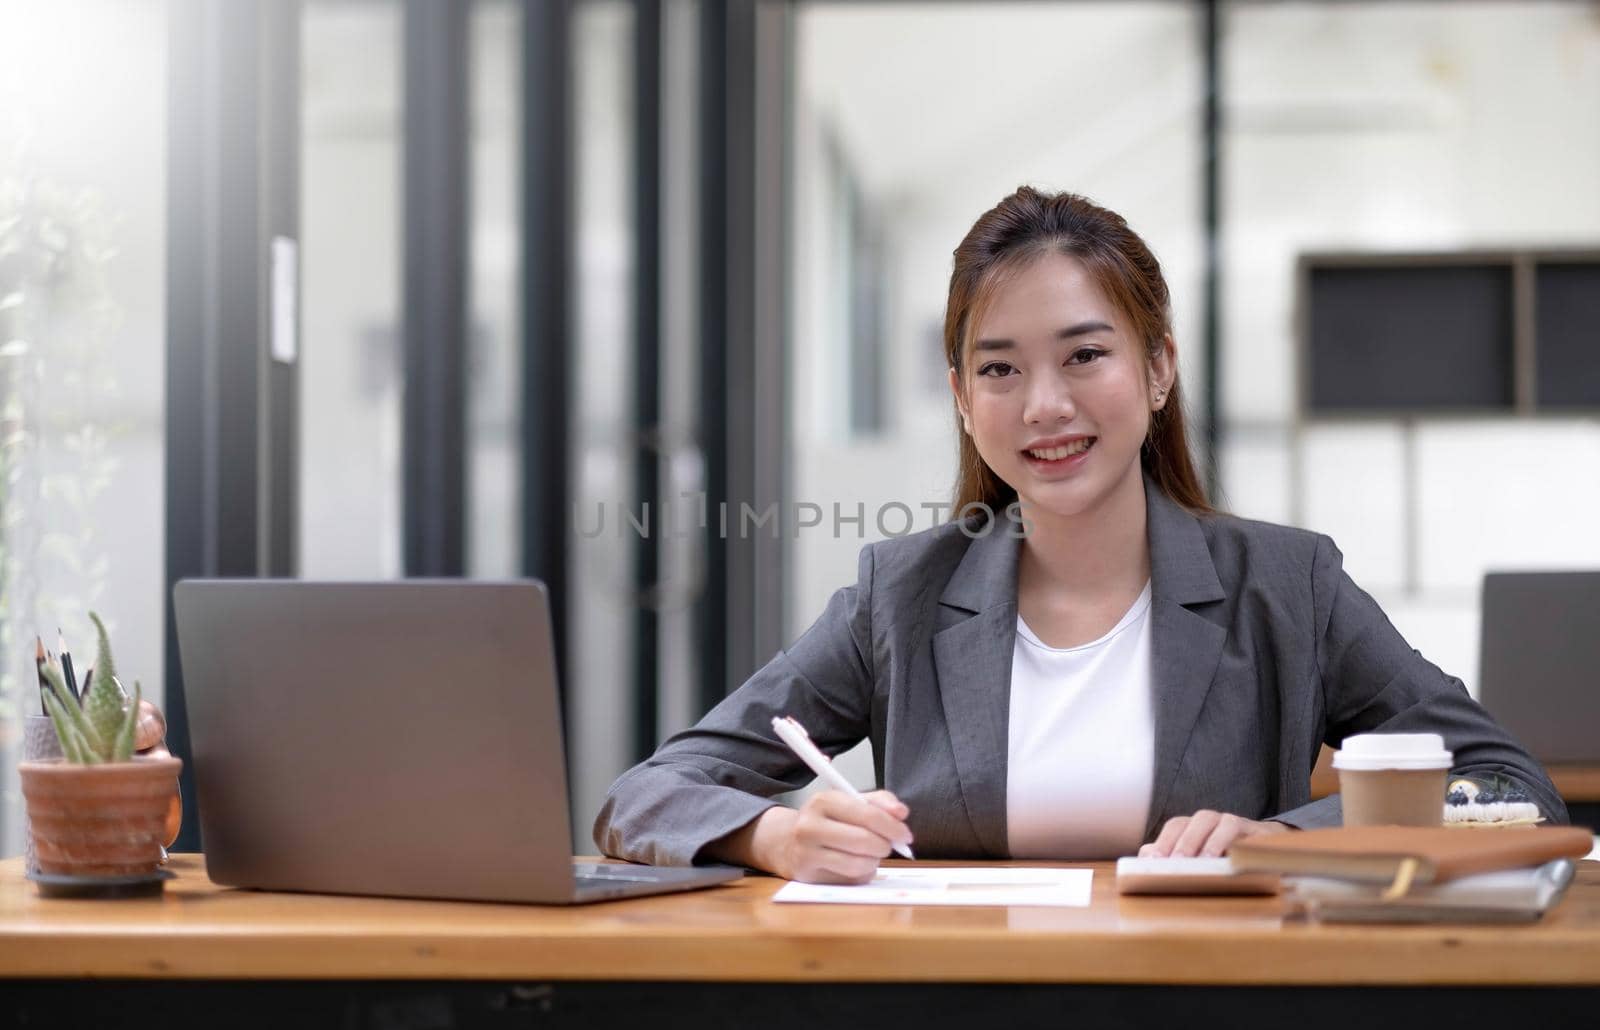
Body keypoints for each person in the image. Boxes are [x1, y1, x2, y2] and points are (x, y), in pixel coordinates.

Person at [593, 186, 1566, 884]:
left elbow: (1505, 783)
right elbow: (646, 794)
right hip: (950, 1005)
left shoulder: (1284, 582)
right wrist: (775, 834)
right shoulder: (903, 591)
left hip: (1212, 1001)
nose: (1044, 405)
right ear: (962, 401)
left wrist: (1286, 834)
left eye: (1085, 355)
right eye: (1000, 370)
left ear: (1156, 370)